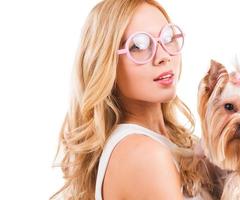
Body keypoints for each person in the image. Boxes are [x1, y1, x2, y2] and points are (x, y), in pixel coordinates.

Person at [51, 0, 200, 199]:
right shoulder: (146, 156)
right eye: (139, 46)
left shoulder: (171, 141)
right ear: (105, 63)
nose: (163, 56)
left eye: (167, 37)